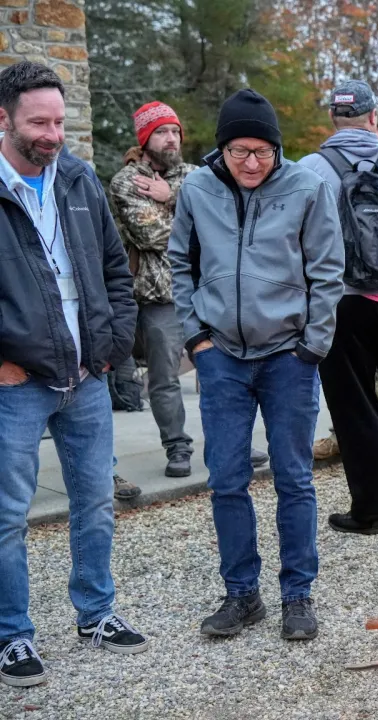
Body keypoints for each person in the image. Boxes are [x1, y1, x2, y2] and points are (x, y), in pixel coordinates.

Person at [170, 89, 344, 641]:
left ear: (278, 149)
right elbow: (180, 262)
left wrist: (312, 345)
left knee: (294, 479)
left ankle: (298, 594)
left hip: (288, 355)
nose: (250, 162)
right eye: (239, 150)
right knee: (226, 479)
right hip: (221, 355)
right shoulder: (196, 189)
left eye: (262, 151)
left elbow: (326, 271)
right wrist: (195, 336)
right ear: (221, 150)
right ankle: (242, 594)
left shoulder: (308, 188)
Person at [0, 61, 149, 688]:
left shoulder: (80, 179)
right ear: (3, 119)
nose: (53, 133)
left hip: (86, 373)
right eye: (38, 122)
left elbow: (117, 270)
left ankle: (96, 613)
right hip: (16, 382)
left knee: (95, 503)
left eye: (59, 120)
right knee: (7, 516)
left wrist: (111, 347)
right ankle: (12, 636)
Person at [297, 80, 378, 535]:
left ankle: (375, 510)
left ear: (333, 119)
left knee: (354, 406)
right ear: (374, 119)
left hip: (339, 304)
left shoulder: (308, 169)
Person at [107, 101, 196, 478]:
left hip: (205, 290)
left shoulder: (193, 175)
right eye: (162, 132)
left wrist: (170, 198)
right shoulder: (126, 182)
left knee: (227, 373)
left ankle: (237, 442)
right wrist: (186, 210)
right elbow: (152, 234)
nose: (171, 138)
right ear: (145, 139)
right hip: (159, 297)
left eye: (175, 131)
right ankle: (177, 447)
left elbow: (222, 224)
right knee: (164, 379)